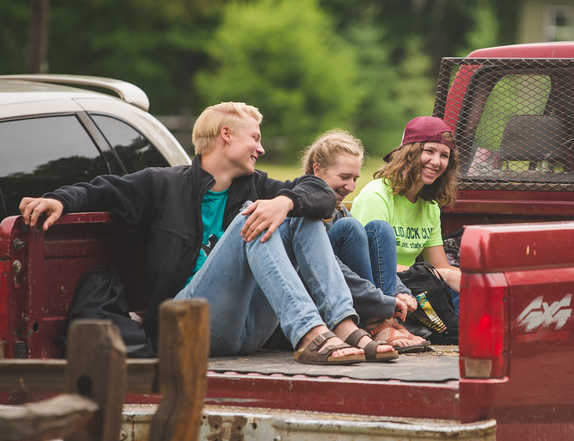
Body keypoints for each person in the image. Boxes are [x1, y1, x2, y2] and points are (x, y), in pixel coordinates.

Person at [19, 102, 397, 364]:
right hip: (185, 326)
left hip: (246, 330)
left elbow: (317, 192)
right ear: (226, 136)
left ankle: (342, 325)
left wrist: (284, 204)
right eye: (255, 138)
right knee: (252, 219)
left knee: (299, 213)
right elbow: (101, 189)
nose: (262, 149)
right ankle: (311, 333)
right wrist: (60, 201)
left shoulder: (256, 186)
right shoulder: (163, 185)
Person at [300, 130, 430, 353]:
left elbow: (375, 263)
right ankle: (376, 322)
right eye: (344, 177)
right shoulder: (304, 216)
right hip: (324, 297)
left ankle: (385, 323)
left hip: (364, 300)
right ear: (317, 170)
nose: (351, 187)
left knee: (380, 229)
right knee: (349, 228)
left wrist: (401, 292)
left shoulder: (338, 210)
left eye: (354, 179)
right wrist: (381, 302)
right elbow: (332, 268)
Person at [350, 116, 461, 293]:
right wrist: (441, 275)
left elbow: (440, 265)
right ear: (410, 153)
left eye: (444, 155)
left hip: (415, 285)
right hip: (380, 289)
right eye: (430, 151)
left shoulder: (429, 205)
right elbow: (368, 266)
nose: (437, 161)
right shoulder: (376, 197)